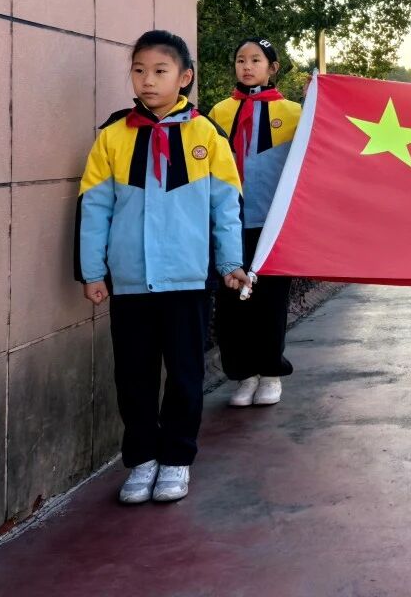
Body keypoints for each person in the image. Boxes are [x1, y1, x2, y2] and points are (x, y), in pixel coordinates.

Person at [75, 30, 248, 504]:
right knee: (134, 377)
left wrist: (230, 262)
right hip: (131, 282)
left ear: (184, 77)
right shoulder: (113, 136)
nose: (147, 80)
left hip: (187, 280)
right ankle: (142, 459)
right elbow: (94, 208)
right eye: (139, 70)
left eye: (159, 71)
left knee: (186, 375)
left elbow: (226, 206)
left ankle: (176, 458)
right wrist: (93, 272)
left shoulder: (206, 135)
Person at [208, 38, 302, 407]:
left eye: (256, 60)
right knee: (231, 306)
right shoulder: (219, 112)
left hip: (272, 226)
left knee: (269, 304)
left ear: (272, 68)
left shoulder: (293, 113)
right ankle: (243, 375)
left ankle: (270, 374)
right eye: (241, 60)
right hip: (229, 224)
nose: (247, 67)